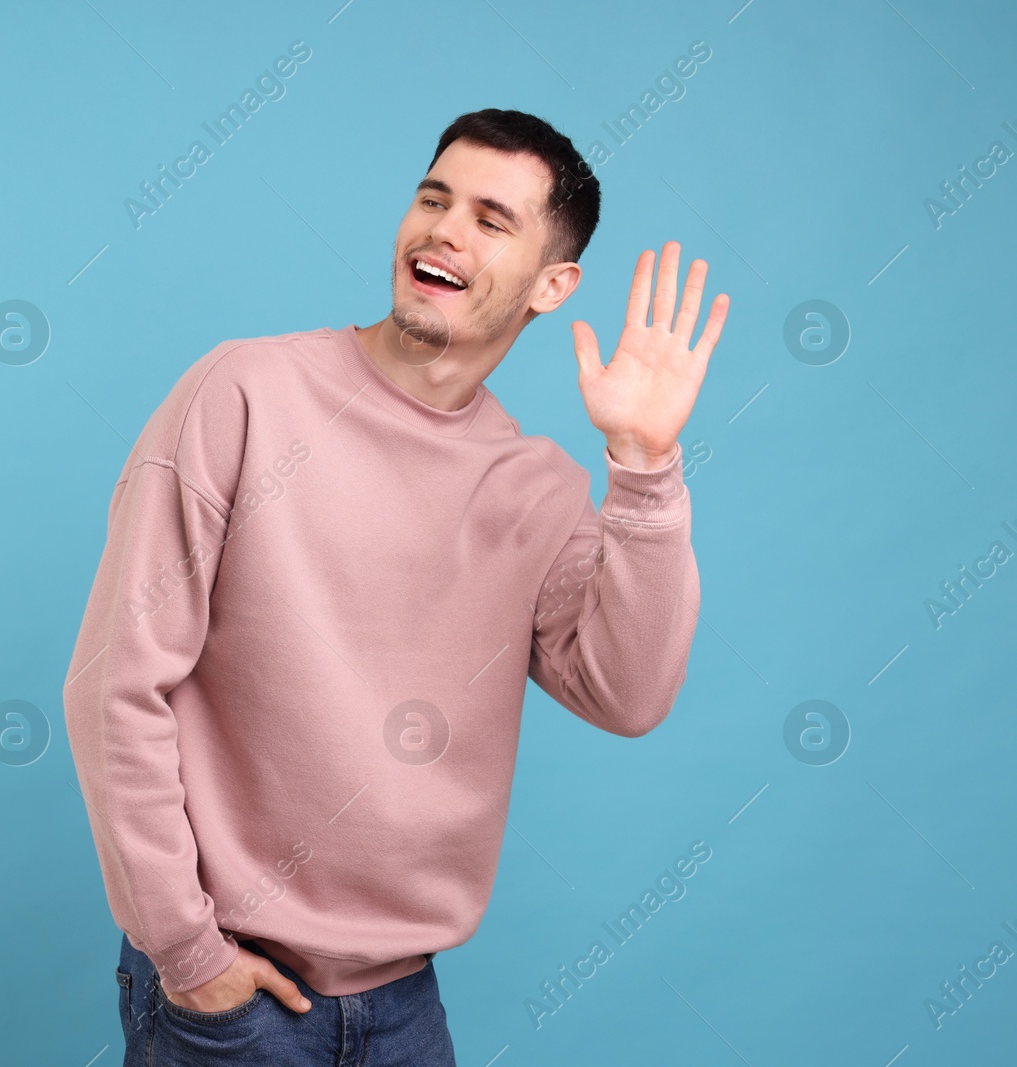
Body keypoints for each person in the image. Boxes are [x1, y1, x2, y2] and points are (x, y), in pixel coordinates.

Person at [63, 107, 729, 1065]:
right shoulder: (244, 393)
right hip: (228, 996)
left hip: (405, 1007)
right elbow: (113, 681)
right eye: (433, 198)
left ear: (553, 284)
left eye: (492, 220)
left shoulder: (532, 485)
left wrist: (646, 460)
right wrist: (186, 950)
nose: (445, 230)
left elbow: (629, 693)